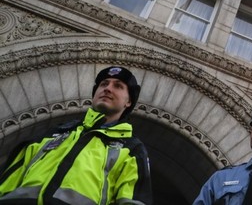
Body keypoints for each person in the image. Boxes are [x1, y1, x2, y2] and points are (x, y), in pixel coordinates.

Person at [0, 65, 152, 204]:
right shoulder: (55, 132)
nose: (108, 88)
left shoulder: (132, 149)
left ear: (128, 102)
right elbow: (8, 181)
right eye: (104, 84)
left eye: (118, 86)